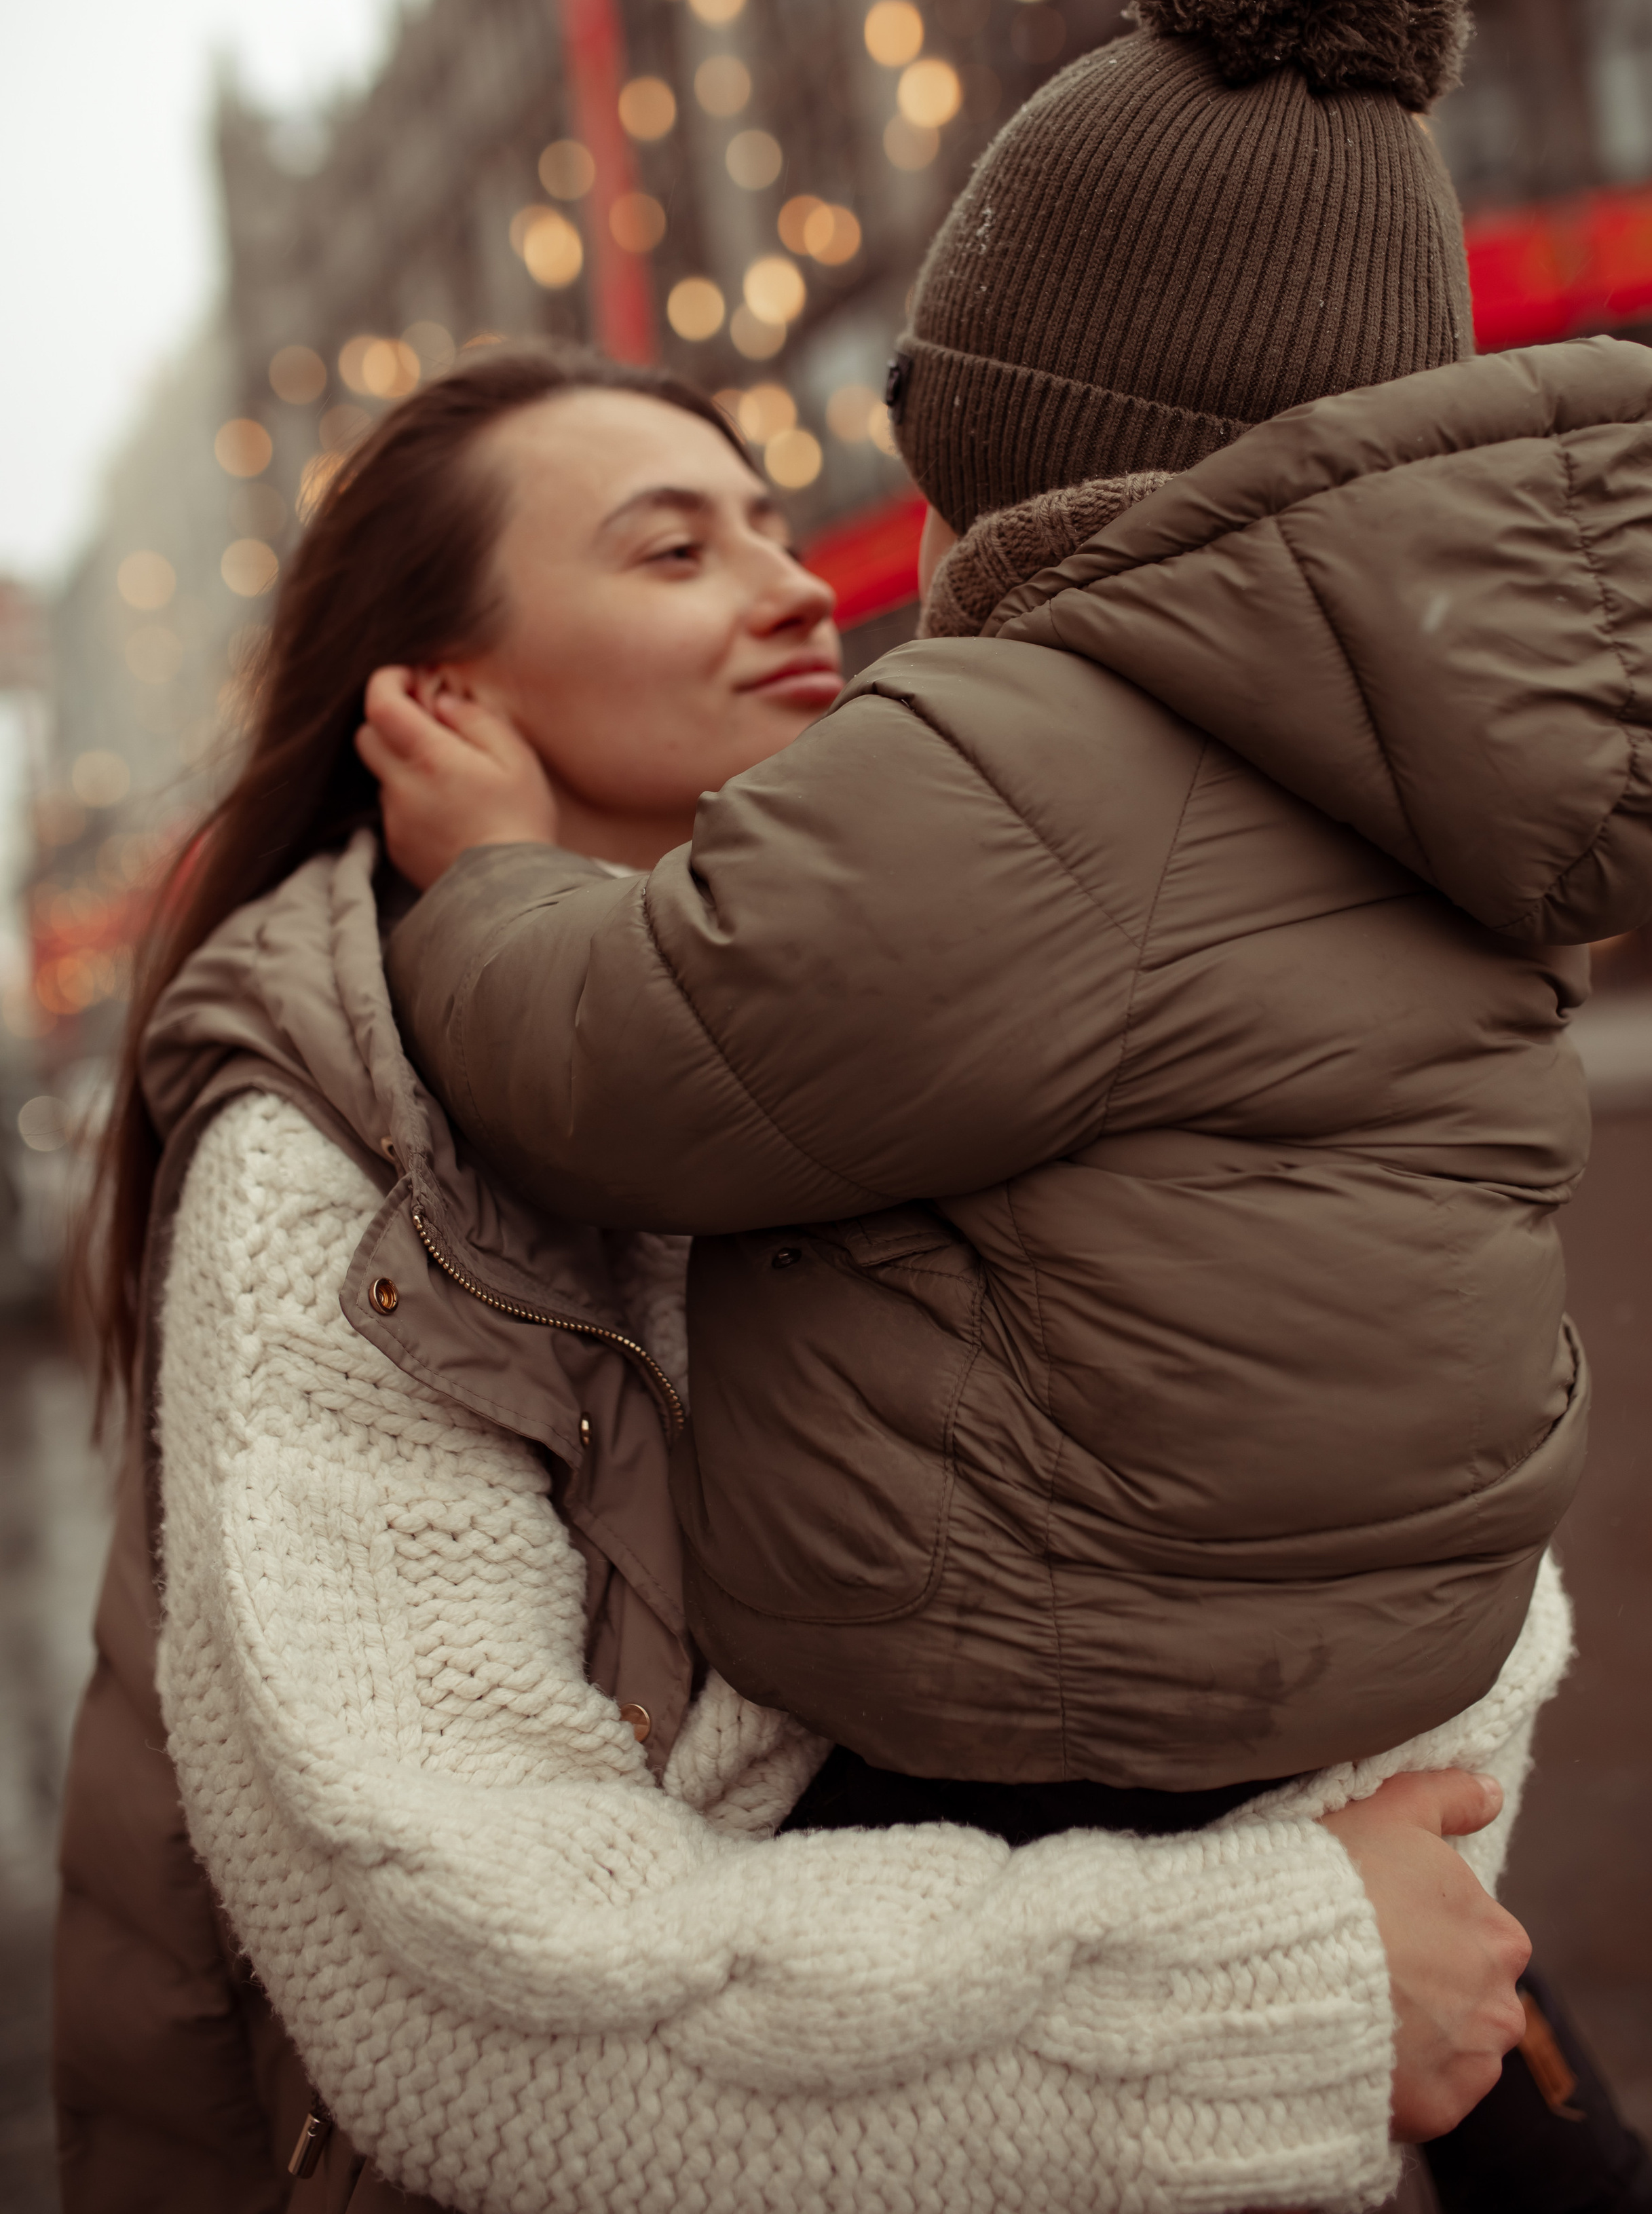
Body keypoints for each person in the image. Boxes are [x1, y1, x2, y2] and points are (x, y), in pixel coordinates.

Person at [55, 339, 1530, 2214]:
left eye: (771, 527)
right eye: (675, 551)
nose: (796, 588)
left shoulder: (929, 1003)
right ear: (442, 695)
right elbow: (479, 2008)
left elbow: (1399, 1549)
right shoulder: (333, 1154)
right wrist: (1291, 1979)